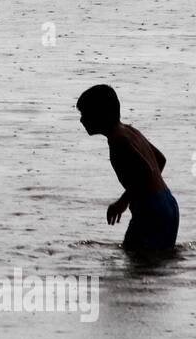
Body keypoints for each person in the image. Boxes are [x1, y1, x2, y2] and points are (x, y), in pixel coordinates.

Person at [76, 84, 178, 251]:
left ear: (101, 114)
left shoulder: (118, 141)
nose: (81, 120)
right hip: (168, 203)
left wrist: (122, 203)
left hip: (151, 208)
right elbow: (160, 160)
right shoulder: (129, 131)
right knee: (155, 262)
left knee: (135, 259)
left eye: (84, 113)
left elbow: (145, 172)